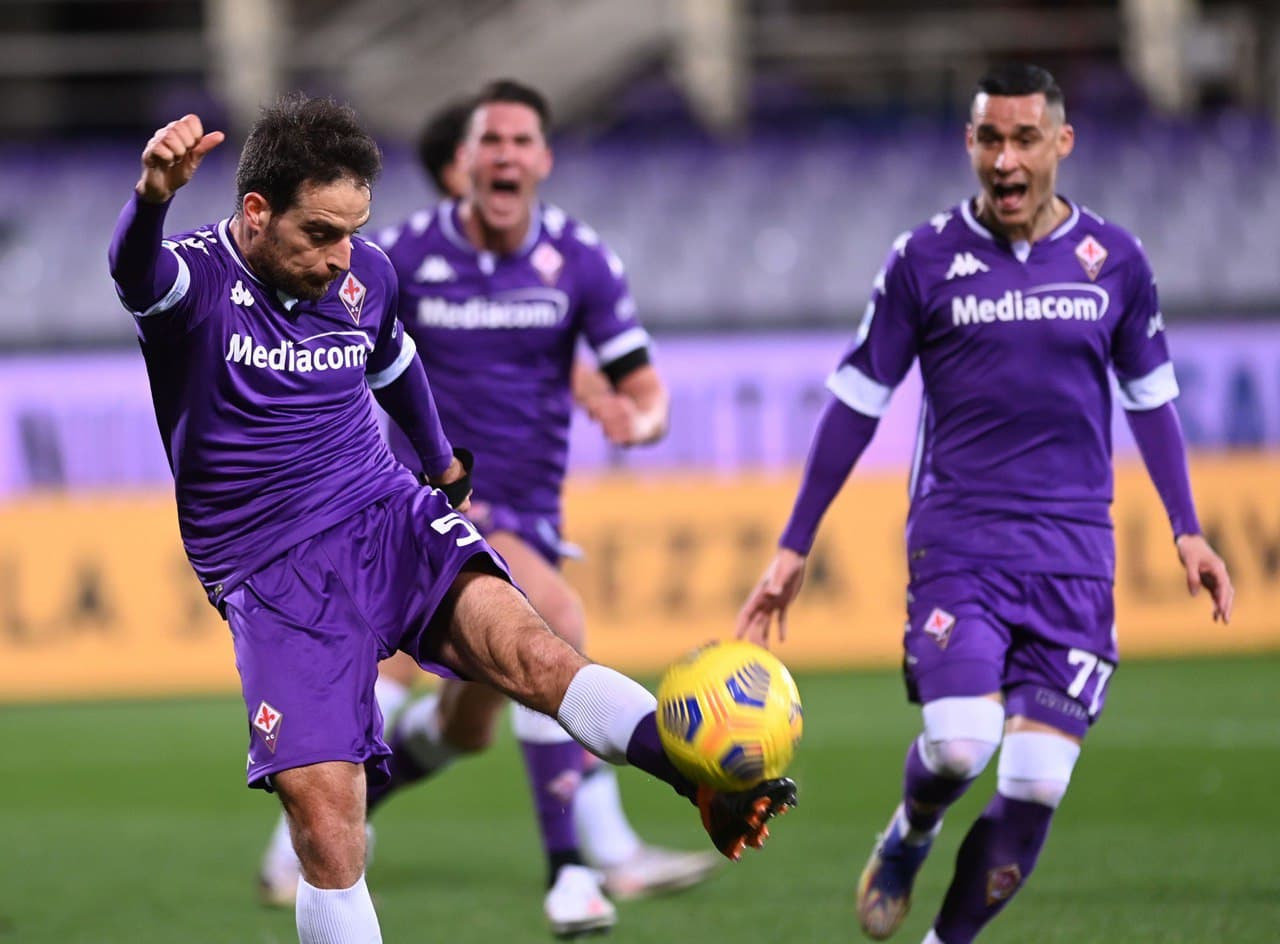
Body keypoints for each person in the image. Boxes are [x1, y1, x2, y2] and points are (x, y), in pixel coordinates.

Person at [108, 94, 796, 944]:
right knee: (329, 828)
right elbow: (134, 273)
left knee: (538, 651)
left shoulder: (365, 275)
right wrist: (150, 198)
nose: (339, 258)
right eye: (320, 233)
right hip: (269, 572)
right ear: (256, 212)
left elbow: (394, 359)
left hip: (383, 512)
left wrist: (438, 462)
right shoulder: (196, 283)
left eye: (353, 231)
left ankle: (699, 783)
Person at [736, 63, 1232, 944]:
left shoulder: (1114, 261)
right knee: (962, 744)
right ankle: (911, 829)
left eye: (1025, 139)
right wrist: (794, 541)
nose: (1006, 159)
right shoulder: (923, 259)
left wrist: (1188, 529)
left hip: (1076, 553)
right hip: (959, 541)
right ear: (970, 144)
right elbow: (857, 400)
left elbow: (1151, 398)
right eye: (990, 139)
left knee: (1038, 783)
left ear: (1061, 144)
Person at [256, 89, 721, 934]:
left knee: (466, 725)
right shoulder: (400, 253)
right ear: (461, 162)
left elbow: (638, 390)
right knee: (556, 619)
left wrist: (635, 420)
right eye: (489, 141)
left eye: (523, 141)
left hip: (535, 507)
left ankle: (314, 834)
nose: (505, 156)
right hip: (426, 502)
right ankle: (578, 869)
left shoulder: (582, 259)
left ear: (544, 159)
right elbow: (351, 341)